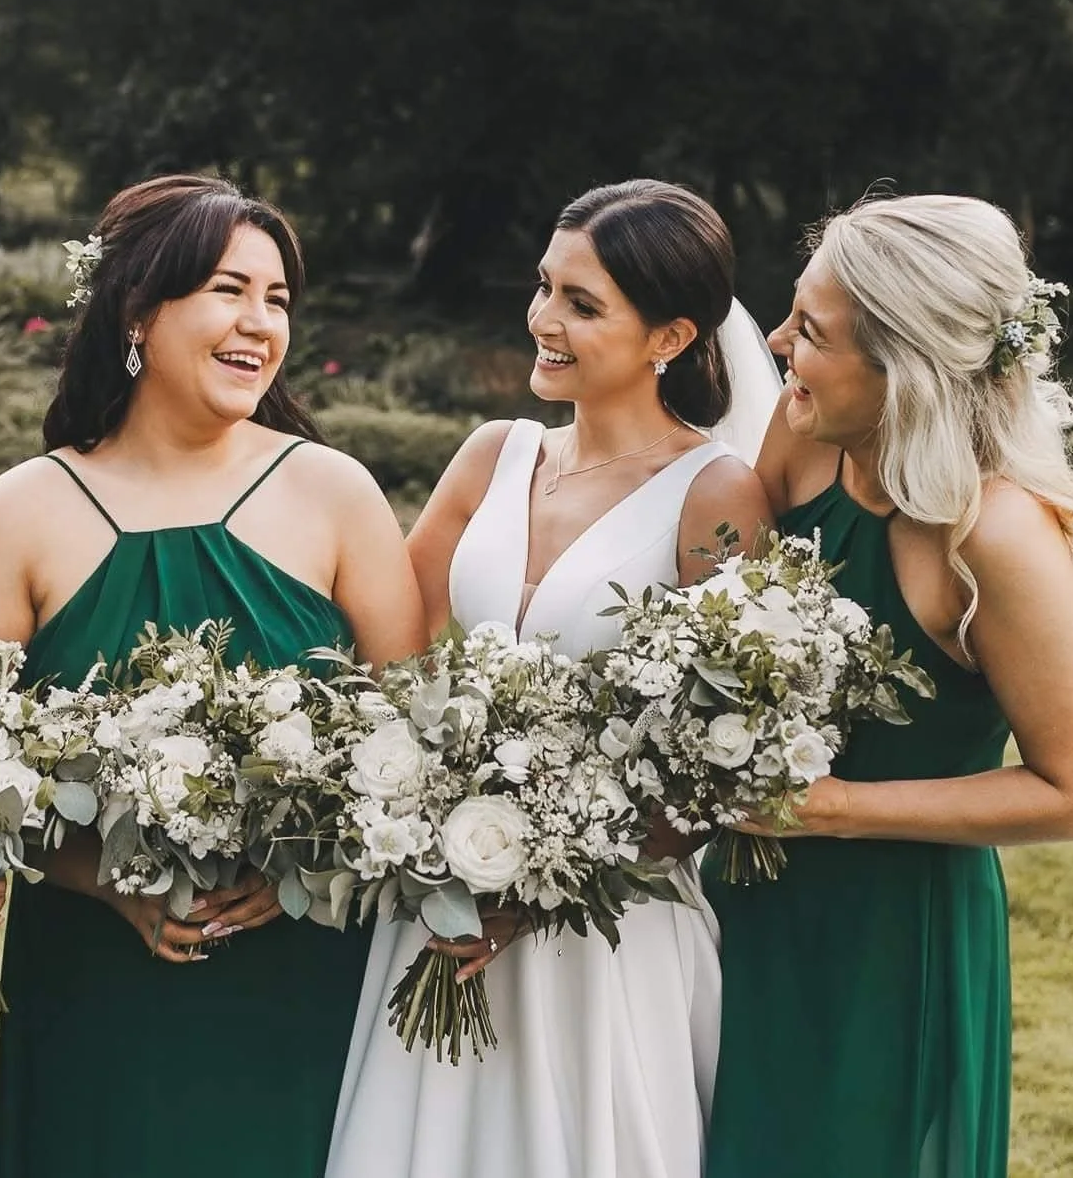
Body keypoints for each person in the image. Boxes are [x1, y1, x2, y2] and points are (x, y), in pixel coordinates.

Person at [0, 174, 425, 1178]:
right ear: (135, 310)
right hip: (96, 982)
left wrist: (303, 869)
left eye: (278, 298)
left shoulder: (330, 491)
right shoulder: (20, 512)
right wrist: (107, 881)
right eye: (226, 290)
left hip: (299, 976)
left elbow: (412, 746)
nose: (260, 323)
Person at [330, 179, 772, 1178]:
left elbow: (724, 752)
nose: (542, 321)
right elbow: (386, 650)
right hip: (440, 903)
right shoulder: (495, 454)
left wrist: (541, 889)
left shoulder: (713, 492)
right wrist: (411, 803)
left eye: (581, 305)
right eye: (543, 287)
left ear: (667, 336)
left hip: (606, 928)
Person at [707, 193, 1073, 1178]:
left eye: (808, 331)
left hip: (891, 943)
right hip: (744, 903)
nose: (772, 343)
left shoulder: (994, 537)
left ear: (904, 372)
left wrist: (829, 808)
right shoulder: (804, 435)